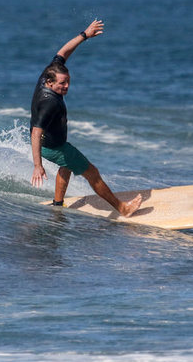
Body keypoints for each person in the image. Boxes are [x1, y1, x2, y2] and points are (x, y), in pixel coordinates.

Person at [30, 20, 143, 217]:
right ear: (50, 82)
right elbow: (35, 133)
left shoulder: (47, 75)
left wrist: (84, 35)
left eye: (68, 82)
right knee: (92, 173)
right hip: (53, 147)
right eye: (63, 84)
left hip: (54, 143)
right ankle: (122, 208)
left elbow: (63, 52)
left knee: (67, 166)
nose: (66, 87)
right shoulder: (50, 103)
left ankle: (57, 205)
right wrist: (37, 165)